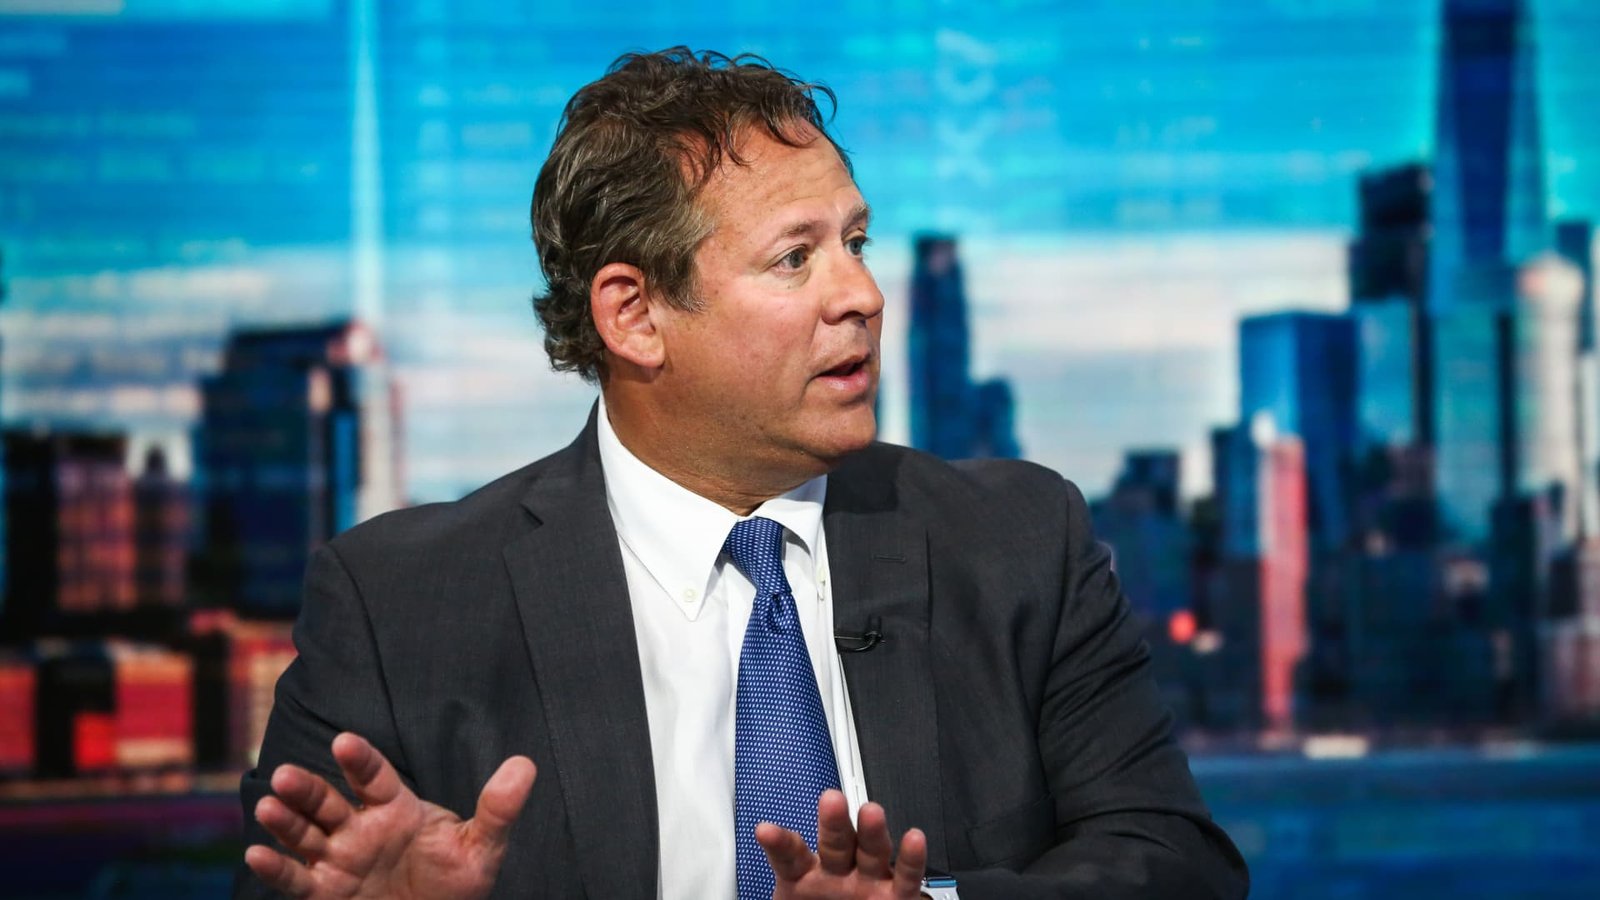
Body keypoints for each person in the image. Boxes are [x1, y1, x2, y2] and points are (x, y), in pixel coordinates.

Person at [235, 47, 1249, 900]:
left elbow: (1176, 866)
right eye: (794, 258)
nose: (862, 294)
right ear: (635, 316)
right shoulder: (398, 604)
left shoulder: (1018, 542)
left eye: (855, 241)